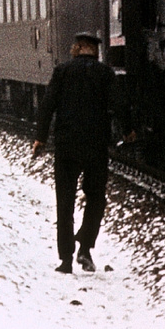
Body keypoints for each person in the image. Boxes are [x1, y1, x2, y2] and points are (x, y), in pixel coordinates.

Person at [32, 32, 134, 274]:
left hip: (66, 145)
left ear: (77, 47)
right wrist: (128, 130)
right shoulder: (105, 73)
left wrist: (40, 138)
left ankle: (66, 260)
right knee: (96, 198)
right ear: (94, 51)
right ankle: (85, 247)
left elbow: (47, 106)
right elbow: (119, 104)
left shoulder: (62, 71)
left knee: (64, 201)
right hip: (96, 146)